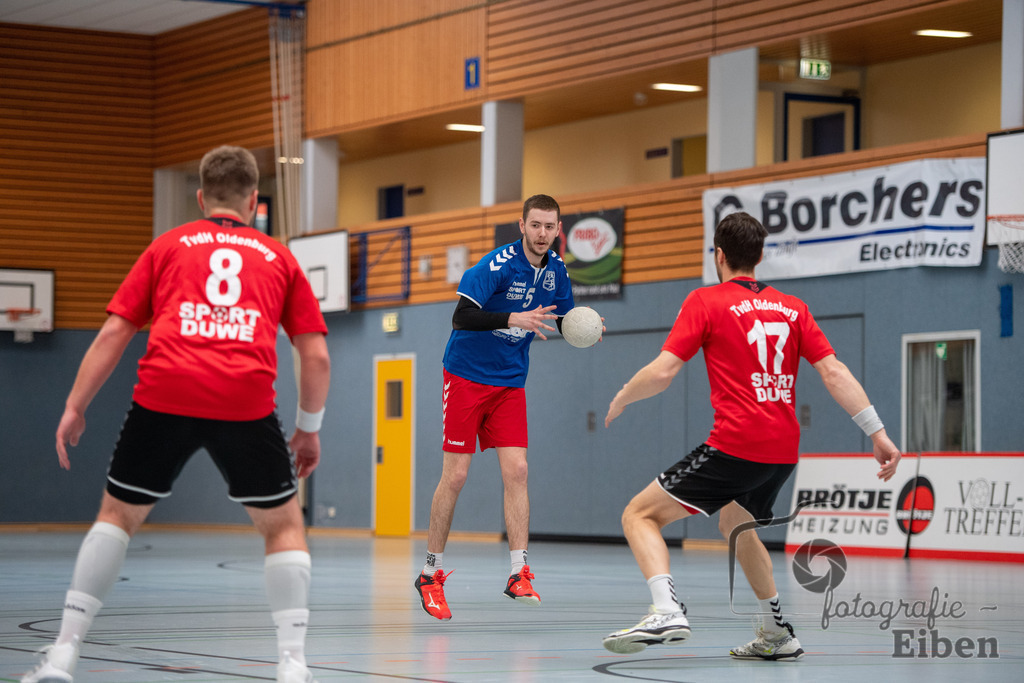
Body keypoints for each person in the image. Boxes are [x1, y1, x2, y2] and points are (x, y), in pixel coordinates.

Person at [23, 146, 330, 683]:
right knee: (283, 526)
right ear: (254, 201)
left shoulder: (166, 246)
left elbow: (115, 333)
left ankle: (64, 652)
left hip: (165, 393)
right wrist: (308, 430)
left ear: (201, 198)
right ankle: (292, 664)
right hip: (244, 400)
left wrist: (75, 406)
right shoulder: (278, 258)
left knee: (116, 517)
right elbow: (316, 356)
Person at [600, 211, 901, 660]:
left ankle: (666, 610)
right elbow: (834, 372)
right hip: (782, 451)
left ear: (718, 255)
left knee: (639, 515)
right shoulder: (794, 308)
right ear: (759, 257)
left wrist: (624, 395)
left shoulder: (705, 301)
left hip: (735, 444)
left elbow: (663, 372)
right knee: (736, 525)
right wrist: (877, 433)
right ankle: (777, 635)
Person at [414, 194, 593, 621]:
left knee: (518, 470)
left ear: (558, 229)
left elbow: (564, 319)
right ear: (522, 225)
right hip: (465, 376)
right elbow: (461, 317)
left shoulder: (557, 270)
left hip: (510, 382)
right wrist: (512, 318)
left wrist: (585, 326)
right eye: (535, 225)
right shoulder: (496, 265)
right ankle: (430, 574)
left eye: (549, 227)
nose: (542, 234)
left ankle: (518, 573)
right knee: (456, 475)